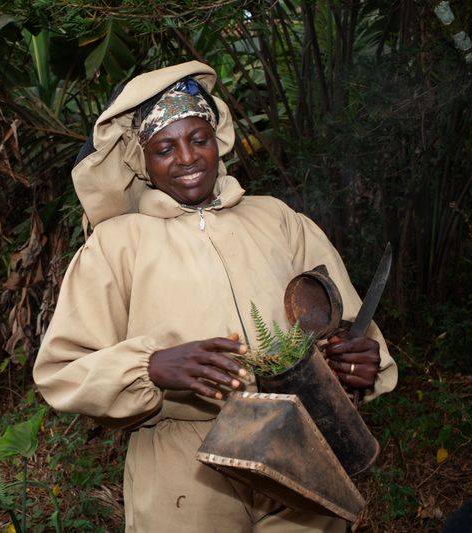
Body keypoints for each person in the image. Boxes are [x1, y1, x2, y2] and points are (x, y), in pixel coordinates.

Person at [33, 61, 398, 532]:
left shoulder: (277, 220)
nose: (186, 158)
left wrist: (358, 362)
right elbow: (62, 371)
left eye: (198, 139)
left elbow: (343, 320)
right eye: (165, 148)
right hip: (184, 470)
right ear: (142, 160)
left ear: (218, 139)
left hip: (303, 445)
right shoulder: (116, 244)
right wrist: (151, 367)